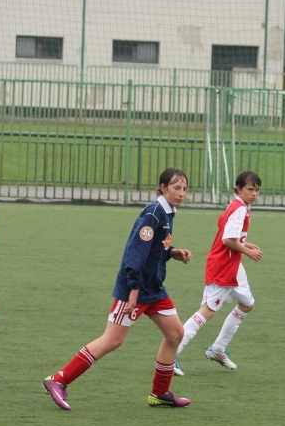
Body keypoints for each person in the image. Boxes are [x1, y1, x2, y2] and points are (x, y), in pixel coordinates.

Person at [43, 168, 193, 411]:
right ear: (163, 188)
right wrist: (132, 291)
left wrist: (172, 252)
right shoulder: (153, 213)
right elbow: (134, 254)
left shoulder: (167, 212)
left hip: (154, 289)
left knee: (175, 333)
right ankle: (58, 380)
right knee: (112, 339)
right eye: (177, 188)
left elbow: (154, 247)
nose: (182, 193)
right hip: (134, 289)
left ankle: (159, 393)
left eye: (185, 189)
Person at [176, 170, 263, 373]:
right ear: (238, 189)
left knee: (247, 304)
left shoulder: (238, 206)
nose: (255, 193)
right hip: (223, 266)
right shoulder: (239, 209)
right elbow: (227, 240)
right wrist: (248, 252)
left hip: (234, 266)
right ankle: (171, 355)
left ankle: (218, 349)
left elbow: (227, 231)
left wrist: (245, 244)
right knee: (207, 311)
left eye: (257, 190)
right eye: (250, 189)